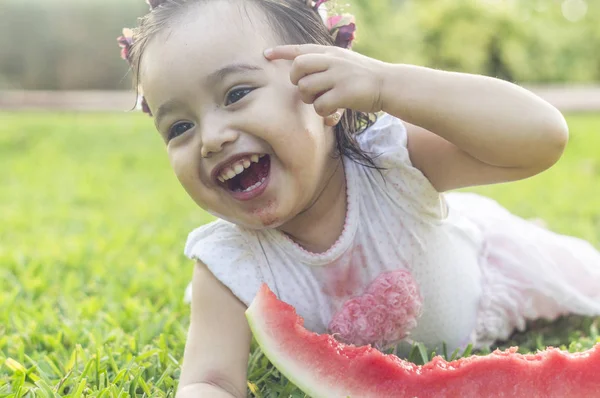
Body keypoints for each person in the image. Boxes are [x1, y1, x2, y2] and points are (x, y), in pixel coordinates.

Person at [117, 0, 600, 396]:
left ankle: (513, 229)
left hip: (479, 277)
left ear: (321, 87)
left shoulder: (393, 164)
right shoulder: (225, 262)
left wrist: (388, 83)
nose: (212, 137)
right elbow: (210, 378)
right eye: (179, 127)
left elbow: (541, 138)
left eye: (237, 93)